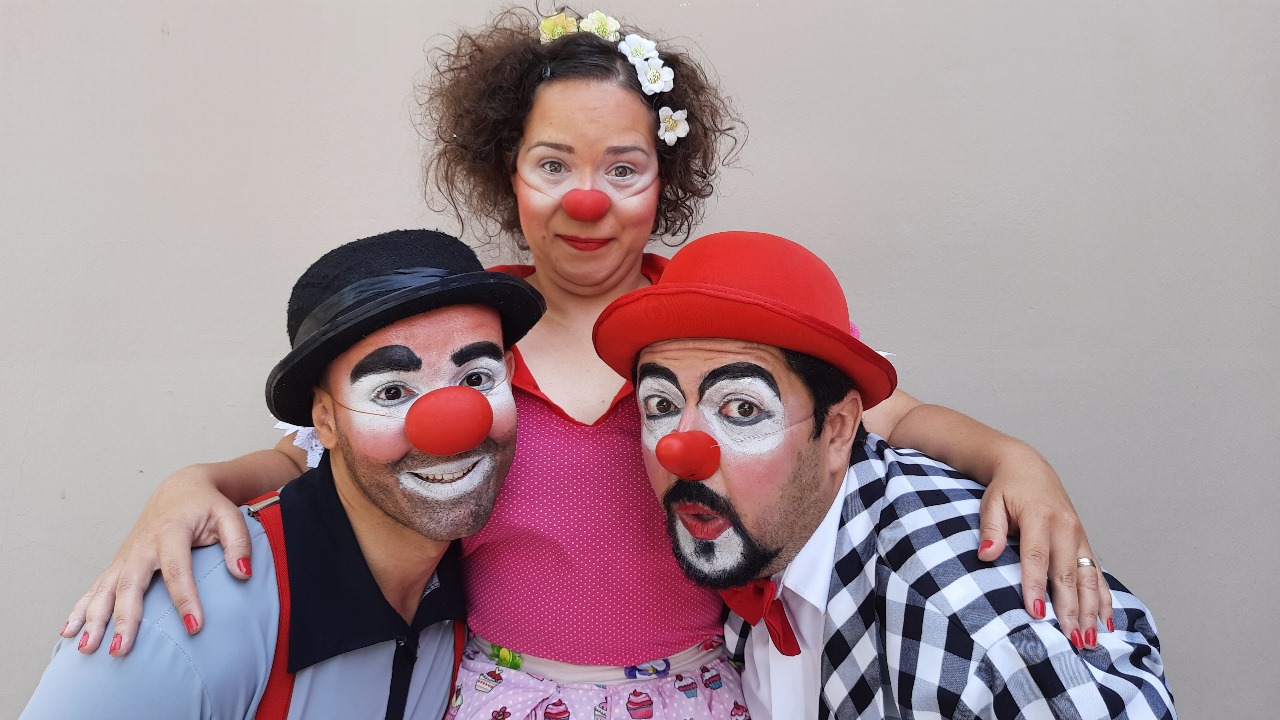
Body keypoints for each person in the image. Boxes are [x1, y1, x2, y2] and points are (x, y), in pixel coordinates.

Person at [62, 8, 1108, 720]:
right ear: (507, 174)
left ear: (665, 181)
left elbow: (889, 413)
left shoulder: (707, 331)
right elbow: (313, 452)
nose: (587, 199)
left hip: (695, 694)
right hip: (501, 695)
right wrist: (192, 483)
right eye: (553, 163)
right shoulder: (465, 336)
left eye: (624, 167)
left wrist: (1015, 461)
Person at [593, 230, 1176, 719]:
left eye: (743, 409)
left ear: (839, 430)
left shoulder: (979, 639)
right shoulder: (759, 526)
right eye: (661, 405)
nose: (681, 451)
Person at [23, 229, 547, 719]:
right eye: (391, 391)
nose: (453, 428)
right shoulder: (177, 630)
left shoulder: (479, 590)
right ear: (325, 421)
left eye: (476, 379)